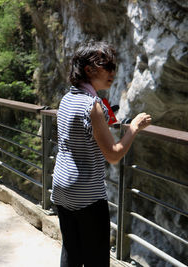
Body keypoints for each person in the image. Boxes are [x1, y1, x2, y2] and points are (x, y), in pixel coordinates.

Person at [50, 41, 152, 267]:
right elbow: (114, 155)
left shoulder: (67, 99)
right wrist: (134, 127)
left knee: (71, 251)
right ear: (89, 69)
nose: (113, 72)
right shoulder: (93, 105)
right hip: (87, 193)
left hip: (62, 188)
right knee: (97, 259)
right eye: (107, 66)